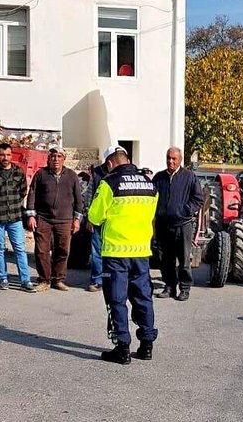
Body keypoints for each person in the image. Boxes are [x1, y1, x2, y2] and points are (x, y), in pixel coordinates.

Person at [87, 151, 159, 364]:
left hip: (117, 252)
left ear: (110, 164)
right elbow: (152, 215)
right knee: (143, 297)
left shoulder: (110, 183)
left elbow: (94, 216)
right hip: (141, 251)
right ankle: (146, 345)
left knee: (116, 299)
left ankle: (122, 347)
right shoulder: (149, 184)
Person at [0, 143, 36, 292]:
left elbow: (23, 191)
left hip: (15, 218)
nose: (5, 158)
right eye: (2, 155)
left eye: (8, 155)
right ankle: (2, 278)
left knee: (20, 249)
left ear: (12, 155)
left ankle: (25, 280)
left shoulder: (18, 172)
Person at [25, 147, 83, 292]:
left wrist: (77, 219)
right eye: (53, 156)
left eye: (59, 156)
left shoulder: (71, 176)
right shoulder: (40, 174)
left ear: (64, 159)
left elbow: (78, 199)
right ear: (48, 159)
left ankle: (58, 279)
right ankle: (44, 280)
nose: (56, 159)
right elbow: (32, 195)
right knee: (41, 251)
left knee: (63, 250)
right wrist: (31, 216)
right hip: (43, 218)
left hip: (65, 220)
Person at [152, 147, 204, 302]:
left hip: (183, 225)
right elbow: (151, 197)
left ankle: (185, 288)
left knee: (183, 258)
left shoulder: (189, 177)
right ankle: (169, 286)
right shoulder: (159, 178)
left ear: (180, 160)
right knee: (165, 258)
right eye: (168, 158)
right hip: (163, 225)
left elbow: (198, 199)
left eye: (174, 159)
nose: (170, 161)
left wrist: (185, 211)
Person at [84, 145, 129, 292]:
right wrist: (89, 217)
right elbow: (89, 195)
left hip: (117, 220)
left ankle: (114, 278)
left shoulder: (126, 174)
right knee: (97, 251)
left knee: (116, 252)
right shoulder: (97, 173)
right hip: (99, 219)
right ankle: (97, 280)